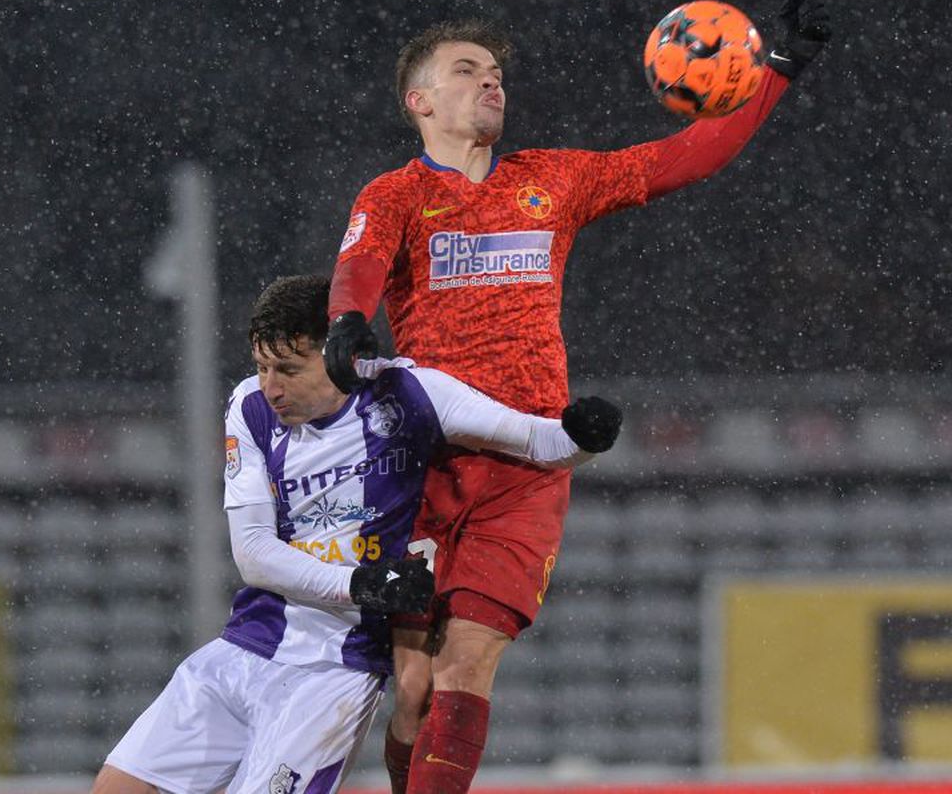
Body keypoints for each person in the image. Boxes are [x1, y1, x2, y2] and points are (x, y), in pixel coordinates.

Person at [322, 0, 831, 794]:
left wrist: (777, 68)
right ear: (419, 100)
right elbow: (359, 267)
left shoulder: (552, 181)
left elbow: (685, 155)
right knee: (411, 693)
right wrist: (347, 323)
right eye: (466, 71)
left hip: (527, 467)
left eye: (496, 73)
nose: (491, 82)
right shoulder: (396, 194)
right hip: (422, 465)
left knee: (466, 668)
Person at [90, 274, 621, 794]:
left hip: (331, 675)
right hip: (245, 646)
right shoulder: (249, 407)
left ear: (335, 356)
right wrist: (362, 584)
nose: (271, 386)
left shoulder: (411, 393)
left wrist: (585, 436)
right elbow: (253, 554)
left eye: (288, 370)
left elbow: (536, 440)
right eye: (262, 367)